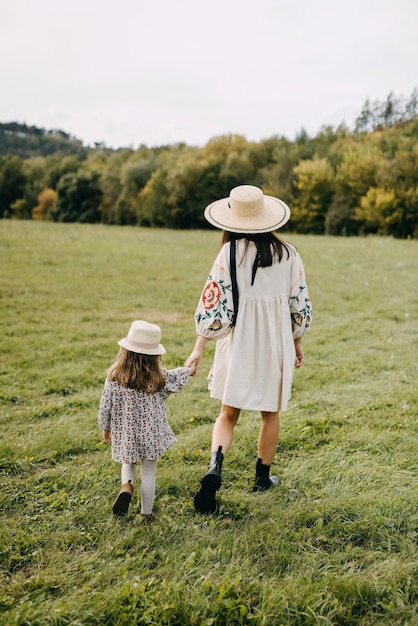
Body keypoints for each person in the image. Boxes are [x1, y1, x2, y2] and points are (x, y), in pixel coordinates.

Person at [185, 185, 312, 514]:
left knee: (228, 414)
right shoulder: (289, 254)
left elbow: (212, 305)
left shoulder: (228, 254)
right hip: (276, 344)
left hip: (238, 341)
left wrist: (202, 342)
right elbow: (299, 306)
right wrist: (297, 341)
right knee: (270, 413)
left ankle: (215, 467)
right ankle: (261, 478)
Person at [98, 320, 195, 521]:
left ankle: (127, 486)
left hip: (126, 433)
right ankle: (146, 514)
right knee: (149, 471)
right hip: (151, 435)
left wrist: (105, 427)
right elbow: (177, 378)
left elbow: (105, 406)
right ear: (155, 356)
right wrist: (189, 369)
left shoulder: (114, 377)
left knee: (128, 461)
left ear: (125, 350)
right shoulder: (159, 378)